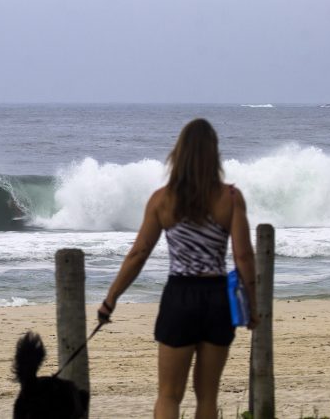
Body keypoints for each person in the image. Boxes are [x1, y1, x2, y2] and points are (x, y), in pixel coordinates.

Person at [97, 119, 259, 419]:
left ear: (179, 153)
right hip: (216, 298)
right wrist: (252, 305)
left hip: (179, 297)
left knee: (169, 395)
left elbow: (139, 254)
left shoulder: (163, 199)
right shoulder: (231, 198)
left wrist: (111, 299)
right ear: (214, 154)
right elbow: (244, 257)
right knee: (207, 398)